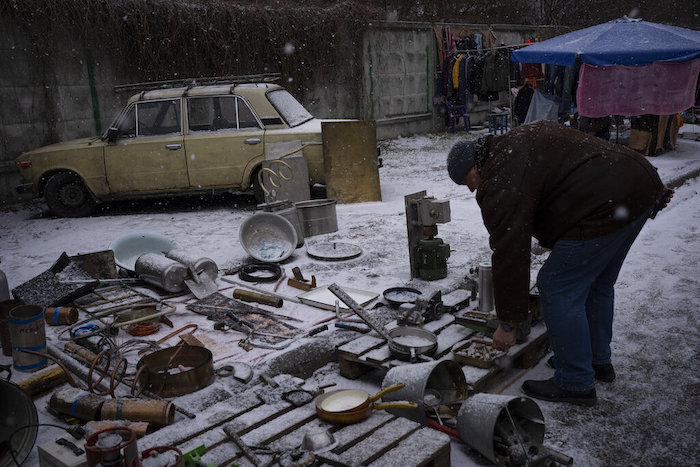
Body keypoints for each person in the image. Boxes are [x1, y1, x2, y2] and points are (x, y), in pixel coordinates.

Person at [447, 120, 674, 406]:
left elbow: (510, 250)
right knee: (597, 282)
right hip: (636, 186)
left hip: (607, 204)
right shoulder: (514, 145)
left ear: (475, 166)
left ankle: (575, 380)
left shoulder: (503, 177)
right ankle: (595, 359)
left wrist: (508, 323)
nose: (471, 189)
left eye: (468, 181)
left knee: (556, 284)